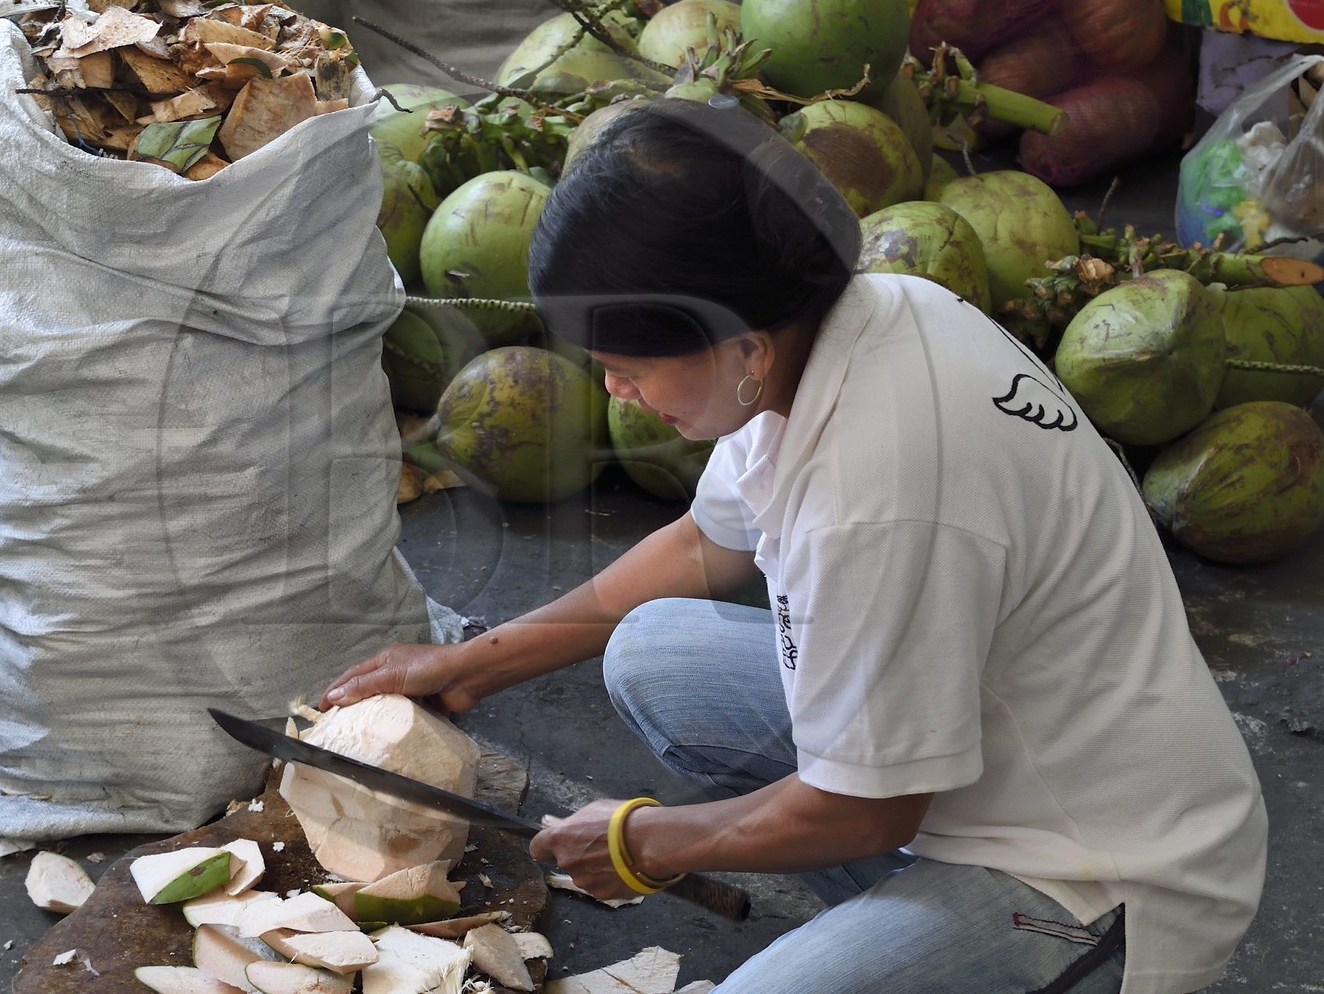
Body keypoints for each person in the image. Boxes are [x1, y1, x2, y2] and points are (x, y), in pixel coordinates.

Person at [323, 97, 1267, 993]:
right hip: (996, 747)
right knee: (657, 652)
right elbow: (703, 546)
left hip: (1096, 873)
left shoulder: (874, 489)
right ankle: (905, 923)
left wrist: (643, 844)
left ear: (739, 344)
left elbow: (870, 809)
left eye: (630, 367)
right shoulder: (848, 322)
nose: (616, 393)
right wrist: (474, 663)